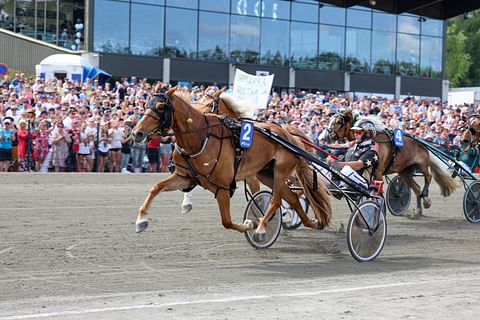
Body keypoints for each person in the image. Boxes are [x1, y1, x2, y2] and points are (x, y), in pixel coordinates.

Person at [326, 121, 379, 189]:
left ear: (368, 134)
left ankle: (340, 186)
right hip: (347, 178)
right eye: (354, 132)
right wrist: (331, 162)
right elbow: (343, 160)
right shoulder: (353, 147)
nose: (355, 134)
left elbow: (358, 165)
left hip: (363, 183)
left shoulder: (372, 151)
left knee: (346, 169)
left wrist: (337, 164)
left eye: (358, 132)